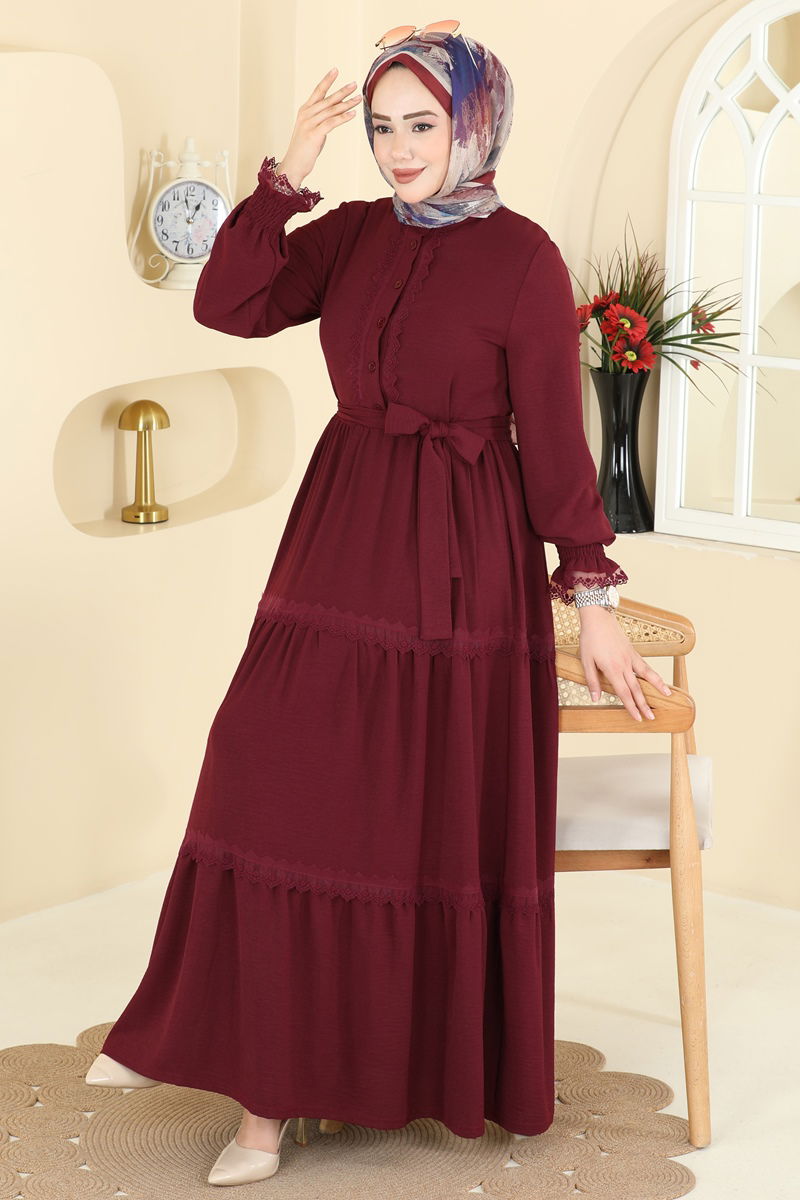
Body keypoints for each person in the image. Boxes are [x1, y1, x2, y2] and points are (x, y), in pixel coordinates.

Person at [85, 26, 671, 1187]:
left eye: (422, 125)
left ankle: (288, 1104)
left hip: (463, 559)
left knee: (405, 819)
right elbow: (228, 307)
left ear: (473, 125)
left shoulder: (524, 258)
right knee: (262, 761)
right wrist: (287, 174)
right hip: (342, 532)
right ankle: (233, 1058)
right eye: (381, 126)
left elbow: (554, 442)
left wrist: (592, 599)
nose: (399, 149)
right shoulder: (350, 232)